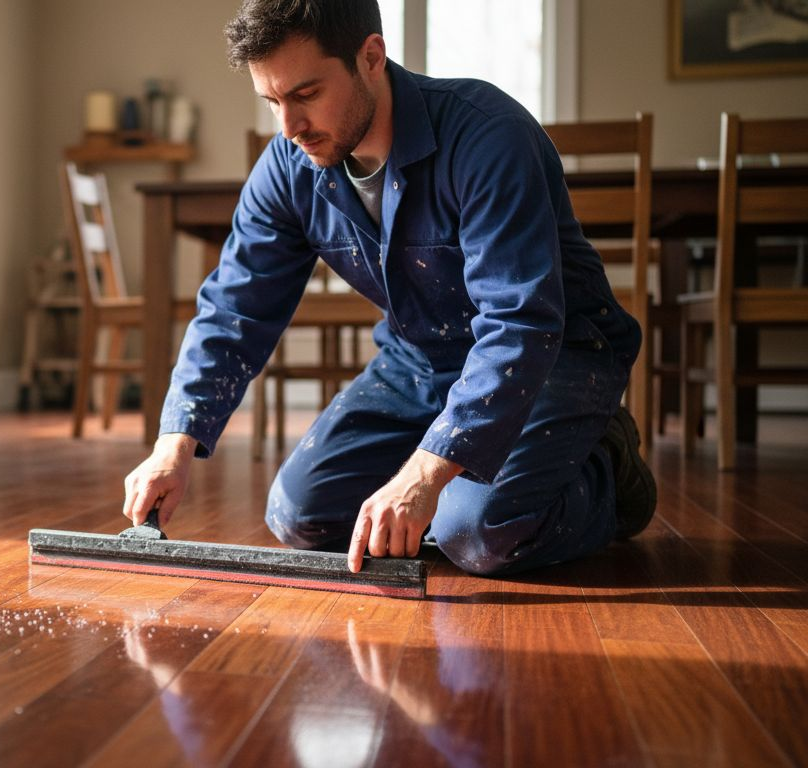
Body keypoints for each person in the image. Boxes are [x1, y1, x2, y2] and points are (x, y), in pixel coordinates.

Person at [121, 0, 656, 576]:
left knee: (477, 534)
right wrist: (174, 443)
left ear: (370, 57)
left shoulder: (488, 135)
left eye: (304, 95)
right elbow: (234, 306)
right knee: (300, 514)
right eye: (272, 102)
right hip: (420, 361)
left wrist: (426, 474)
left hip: (554, 357)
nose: (288, 128)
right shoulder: (288, 165)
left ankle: (608, 467)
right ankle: (461, 477)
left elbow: (519, 322)